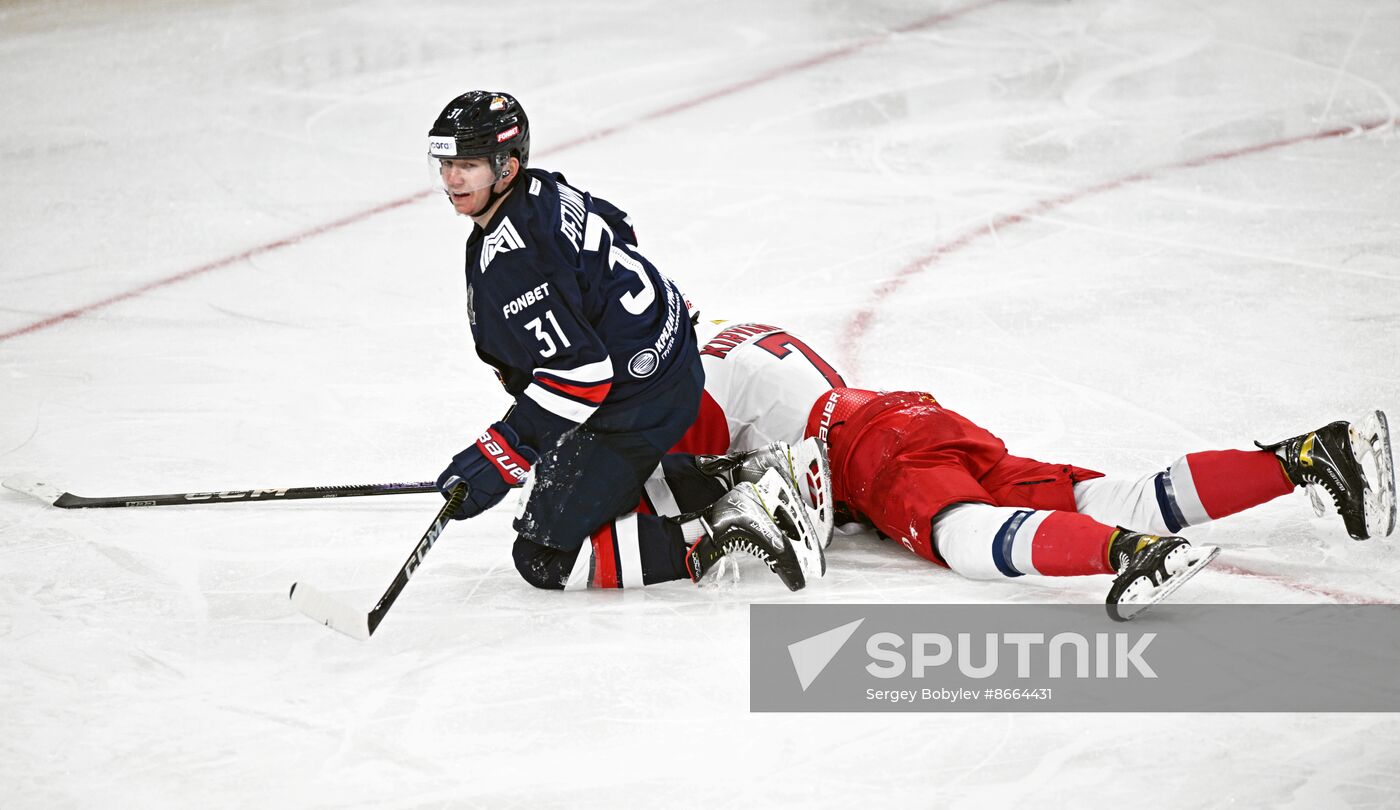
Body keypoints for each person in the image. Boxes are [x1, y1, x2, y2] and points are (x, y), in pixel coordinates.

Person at [641, 318, 1397, 617]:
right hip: (919, 419)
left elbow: (683, 479)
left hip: (868, 448)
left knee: (963, 536)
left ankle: (1128, 556)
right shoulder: (742, 334)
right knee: (1118, 493)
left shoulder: (687, 380)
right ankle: (1311, 456)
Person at [426, 91, 822, 594]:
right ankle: (746, 472)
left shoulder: (515, 260)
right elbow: (618, 224)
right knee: (571, 481)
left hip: (634, 403)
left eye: (468, 165)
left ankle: (727, 523)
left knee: (544, 557)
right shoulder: (543, 190)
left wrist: (503, 450)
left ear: (507, 166)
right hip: (672, 358)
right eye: (446, 163)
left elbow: (582, 375)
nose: (451, 179)